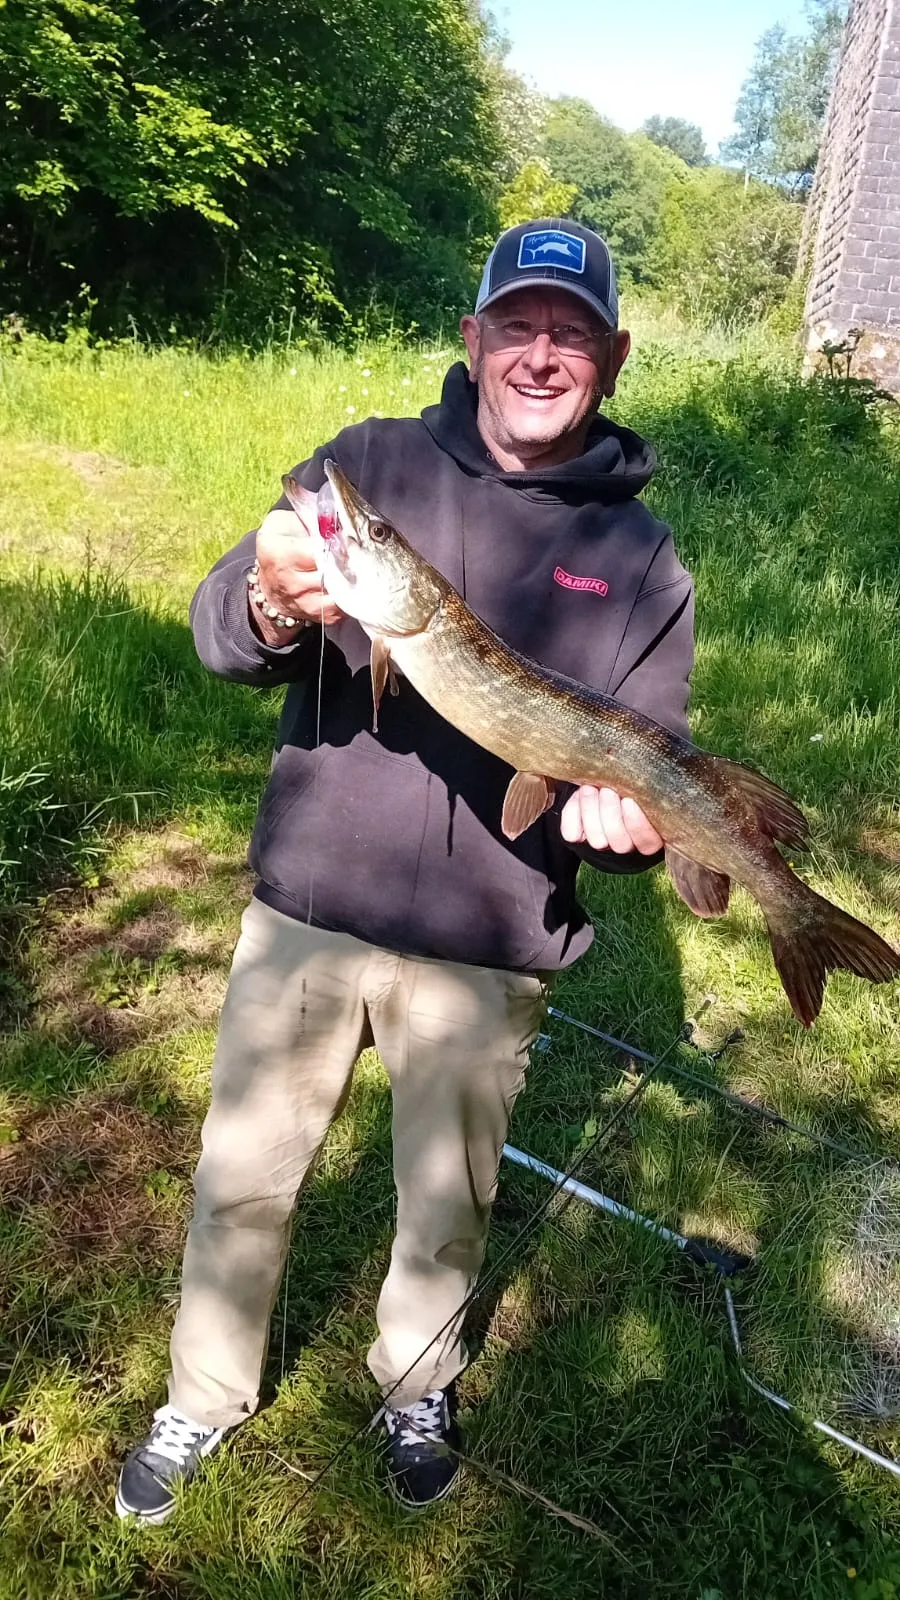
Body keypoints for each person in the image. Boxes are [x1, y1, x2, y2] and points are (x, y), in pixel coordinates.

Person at [115, 218, 695, 1522]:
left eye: (572, 334)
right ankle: (202, 1395)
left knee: (448, 1203)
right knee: (243, 1175)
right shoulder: (366, 465)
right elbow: (226, 635)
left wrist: (644, 828)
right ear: (473, 335)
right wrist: (270, 599)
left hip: (492, 940)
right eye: (518, 325)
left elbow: (649, 750)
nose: (541, 355)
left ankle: (415, 1381)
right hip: (312, 909)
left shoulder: (641, 557)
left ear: (610, 357)